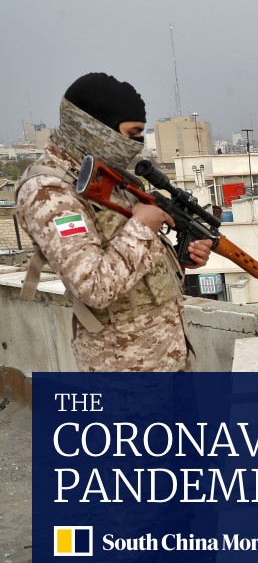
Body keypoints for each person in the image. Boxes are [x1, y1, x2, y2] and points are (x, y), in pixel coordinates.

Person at [15, 73, 212, 372]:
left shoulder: (103, 175)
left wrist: (181, 258)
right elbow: (94, 286)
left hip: (165, 355)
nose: (136, 144)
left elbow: (128, 261)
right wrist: (143, 227)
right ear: (95, 126)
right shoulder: (49, 191)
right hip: (124, 369)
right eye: (132, 133)